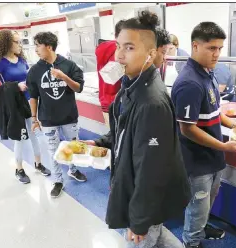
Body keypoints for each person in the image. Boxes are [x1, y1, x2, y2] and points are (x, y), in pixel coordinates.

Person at [82, 11, 191, 248]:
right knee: (158, 236)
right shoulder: (132, 84)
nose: (119, 55)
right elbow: (125, 128)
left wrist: (139, 221)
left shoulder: (151, 102)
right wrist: (101, 142)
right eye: (119, 46)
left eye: (129, 48)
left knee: (146, 238)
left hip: (143, 196)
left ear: (151, 54)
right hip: (133, 185)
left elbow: (152, 168)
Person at [171, 22, 236, 248]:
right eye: (211, 48)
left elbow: (214, 109)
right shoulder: (189, 83)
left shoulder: (208, 74)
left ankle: (201, 228)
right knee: (198, 205)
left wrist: (232, 124)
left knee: (207, 202)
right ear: (195, 46)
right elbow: (187, 128)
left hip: (212, 157)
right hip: (197, 161)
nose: (217, 54)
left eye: (220, 48)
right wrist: (224, 147)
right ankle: (192, 241)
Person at [0, 29, 50, 184]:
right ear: (7, 44)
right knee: (20, 138)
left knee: (34, 134)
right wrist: (15, 86)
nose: (20, 45)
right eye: (16, 41)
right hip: (14, 105)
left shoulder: (21, 60)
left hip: (28, 103)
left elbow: (27, 79)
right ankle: (19, 169)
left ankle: (38, 163)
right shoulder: (0, 64)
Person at [27, 32, 87, 198]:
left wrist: (64, 77)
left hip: (69, 116)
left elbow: (78, 88)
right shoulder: (35, 70)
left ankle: (73, 170)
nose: (36, 49)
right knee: (53, 150)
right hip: (48, 119)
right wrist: (34, 119)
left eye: (38, 45)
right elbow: (33, 96)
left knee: (72, 147)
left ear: (49, 46)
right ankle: (58, 180)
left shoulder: (69, 65)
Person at [96, 20, 125, 127]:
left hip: (105, 100)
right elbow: (109, 77)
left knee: (113, 137)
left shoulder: (103, 47)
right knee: (118, 139)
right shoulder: (119, 52)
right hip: (115, 104)